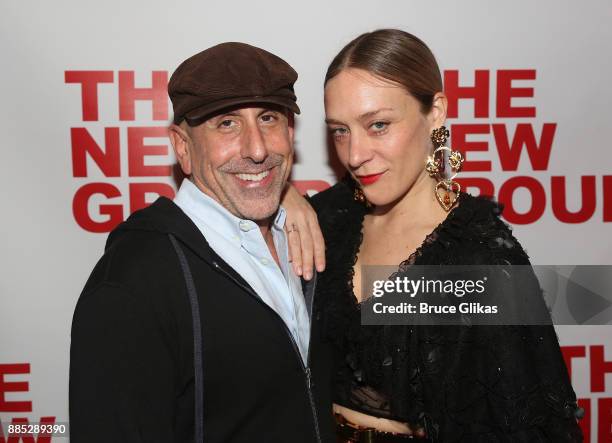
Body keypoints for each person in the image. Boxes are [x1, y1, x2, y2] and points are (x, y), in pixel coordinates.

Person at [282, 29, 583, 442]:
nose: (354, 155)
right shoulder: (330, 217)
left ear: (436, 111)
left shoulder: (481, 260)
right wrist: (284, 198)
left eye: (379, 125)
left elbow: (521, 423)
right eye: (340, 131)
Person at [69, 42, 334, 443]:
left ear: (290, 133)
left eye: (268, 118)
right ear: (182, 147)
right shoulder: (133, 282)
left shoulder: (311, 233)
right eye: (226, 123)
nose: (258, 148)